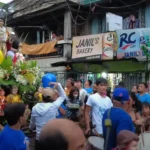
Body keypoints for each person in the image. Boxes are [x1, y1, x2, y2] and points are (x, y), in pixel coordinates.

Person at [29, 82, 66, 150]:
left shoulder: (35, 108)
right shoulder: (53, 106)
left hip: (39, 138)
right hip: (51, 137)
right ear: (51, 97)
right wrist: (58, 85)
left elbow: (32, 124)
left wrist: (30, 128)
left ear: (42, 96)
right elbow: (63, 96)